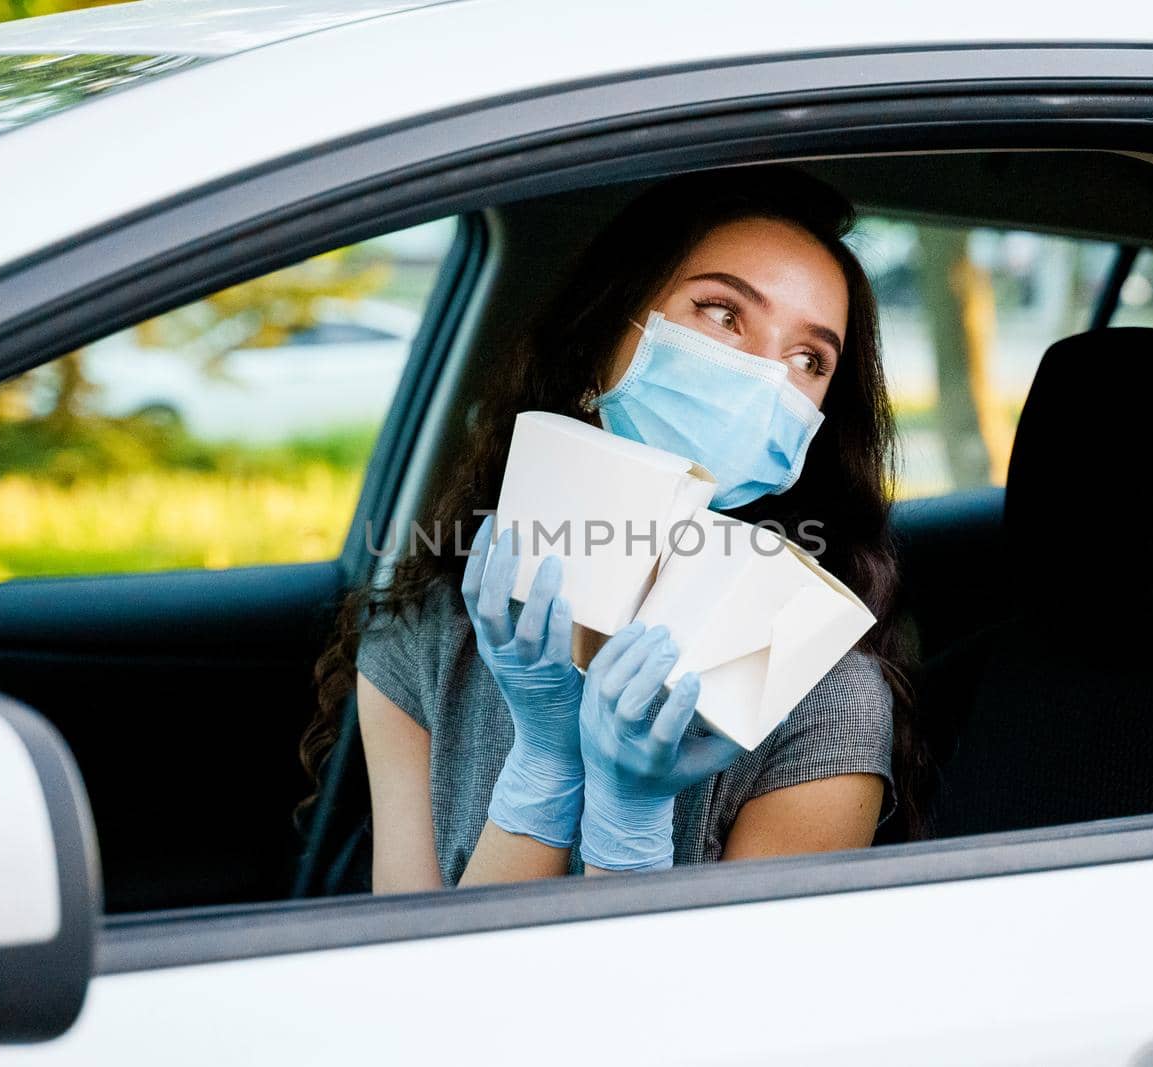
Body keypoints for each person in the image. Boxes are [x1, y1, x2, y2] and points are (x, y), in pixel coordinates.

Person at [302, 165, 928, 892]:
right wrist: (544, 767)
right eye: (724, 314)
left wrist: (628, 832)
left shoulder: (821, 693)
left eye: (808, 358)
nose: (765, 379)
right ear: (600, 338)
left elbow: (723, 1002)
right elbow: (415, 982)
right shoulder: (425, 632)